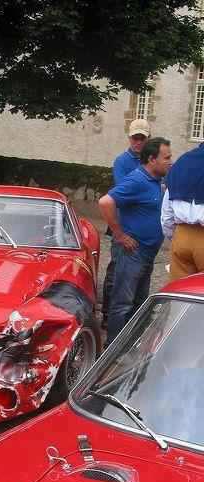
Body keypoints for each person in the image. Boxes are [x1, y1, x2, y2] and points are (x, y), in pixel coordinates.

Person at [98, 137, 172, 344]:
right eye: (166, 157)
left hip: (148, 253)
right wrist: (120, 235)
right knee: (122, 303)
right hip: (133, 253)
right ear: (151, 159)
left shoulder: (157, 181)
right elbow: (105, 202)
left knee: (139, 303)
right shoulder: (137, 180)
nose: (170, 161)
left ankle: (129, 346)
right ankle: (112, 349)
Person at [101, 119, 151, 329]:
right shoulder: (122, 161)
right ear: (129, 138)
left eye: (142, 138)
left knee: (139, 275)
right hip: (123, 225)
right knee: (115, 270)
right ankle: (106, 314)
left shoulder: (151, 160)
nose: (138, 142)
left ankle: (132, 319)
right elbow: (123, 194)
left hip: (141, 228)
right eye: (135, 138)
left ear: (148, 138)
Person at [161, 143, 204, 280]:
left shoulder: (182, 161)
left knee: (180, 294)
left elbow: (166, 212)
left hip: (181, 236)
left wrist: (174, 238)